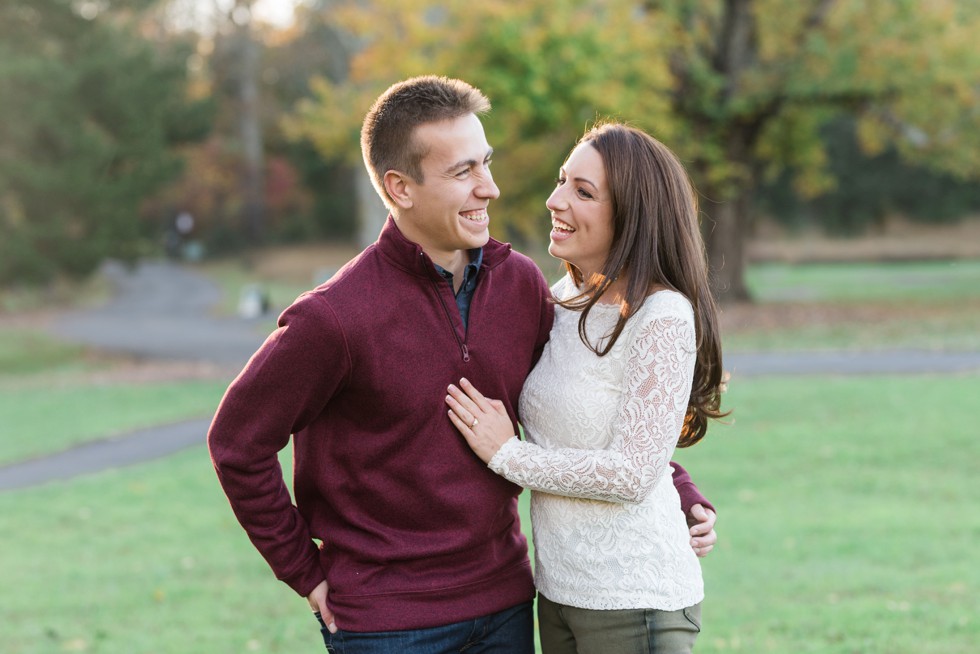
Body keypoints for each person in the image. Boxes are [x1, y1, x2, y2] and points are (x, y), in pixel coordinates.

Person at [208, 77, 716, 654]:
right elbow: (236, 443)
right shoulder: (335, 318)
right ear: (400, 187)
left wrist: (677, 485)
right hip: (388, 624)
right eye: (463, 173)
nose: (490, 189)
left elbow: (581, 398)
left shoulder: (523, 286)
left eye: (487, 164)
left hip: (508, 604)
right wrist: (303, 570)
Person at [446, 122, 727, 654]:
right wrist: (684, 489)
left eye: (583, 191)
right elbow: (602, 433)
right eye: (561, 181)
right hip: (559, 594)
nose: (555, 201)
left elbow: (633, 472)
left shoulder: (661, 314)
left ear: (632, 215)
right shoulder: (560, 300)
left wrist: (507, 454)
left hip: (634, 599)